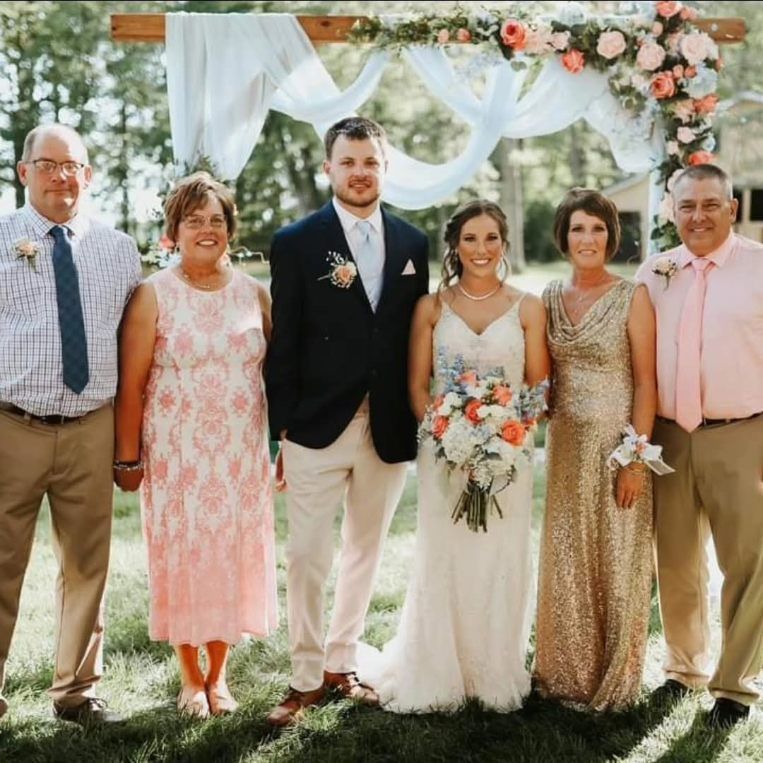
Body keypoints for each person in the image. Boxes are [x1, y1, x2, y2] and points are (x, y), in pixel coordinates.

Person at [264, 116, 429, 726]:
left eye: (371, 162)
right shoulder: (297, 241)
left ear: (385, 168)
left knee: (366, 549)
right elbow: (284, 341)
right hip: (315, 424)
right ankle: (304, 676)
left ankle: (341, 663)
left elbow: (415, 333)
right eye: (349, 162)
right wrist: (280, 426)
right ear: (329, 168)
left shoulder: (413, 243)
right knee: (307, 554)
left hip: (386, 426)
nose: (360, 173)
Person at [357, 200, 550, 712]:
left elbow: (537, 388)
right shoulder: (432, 307)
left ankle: (493, 668)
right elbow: (417, 387)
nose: (481, 249)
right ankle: (440, 667)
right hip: (443, 452)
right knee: (447, 558)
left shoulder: (528, 307)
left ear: (504, 243)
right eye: (470, 239)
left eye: (491, 238)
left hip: (510, 455)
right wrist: (446, 437)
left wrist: (503, 441)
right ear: (454, 246)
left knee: (499, 557)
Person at [114, 172, 278, 718]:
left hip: (238, 458)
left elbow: (276, 376)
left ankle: (221, 675)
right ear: (174, 229)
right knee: (182, 559)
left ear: (230, 229)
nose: (206, 230)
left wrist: (284, 447)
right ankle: (190, 678)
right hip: (177, 455)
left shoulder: (255, 294)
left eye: (216, 220)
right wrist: (128, 456)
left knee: (231, 557)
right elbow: (132, 384)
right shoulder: (151, 294)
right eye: (194, 220)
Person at [0, 124, 141, 724]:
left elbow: (135, 342)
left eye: (73, 166)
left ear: (89, 175)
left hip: (91, 425)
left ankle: (77, 693)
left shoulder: (119, 249)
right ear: (24, 172)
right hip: (11, 425)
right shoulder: (2, 238)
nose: (62, 175)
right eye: (49, 164)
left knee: (88, 564)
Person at [636, 164, 763, 728]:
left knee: (749, 564)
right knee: (677, 563)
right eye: (687, 206)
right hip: (669, 438)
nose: (699, 216)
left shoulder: (760, 267)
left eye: (711, 204)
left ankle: (735, 686)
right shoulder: (656, 272)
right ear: (672, 211)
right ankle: (683, 669)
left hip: (743, 433)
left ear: (732, 208)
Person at [533, 188, 658, 710]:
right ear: (564, 236)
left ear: (612, 236)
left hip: (616, 446)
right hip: (564, 446)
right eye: (579, 228)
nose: (589, 239)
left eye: (599, 229)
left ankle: (615, 676)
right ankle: (563, 673)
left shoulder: (633, 296)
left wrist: (634, 460)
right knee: (567, 554)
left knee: (617, 555)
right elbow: (539, 381)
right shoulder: (547, 297)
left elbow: (648, 385)